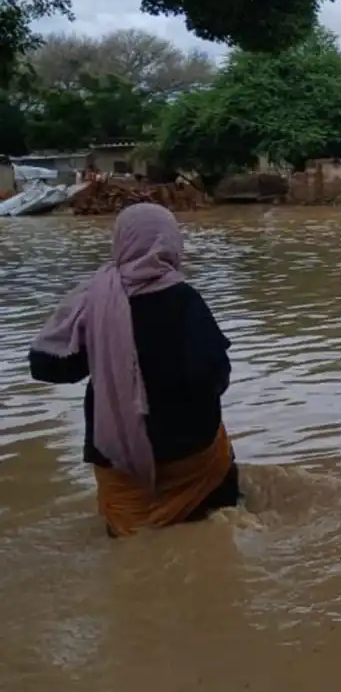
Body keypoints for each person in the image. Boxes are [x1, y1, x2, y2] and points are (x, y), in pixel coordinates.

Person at [28, 203, 239, 538]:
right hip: (191, 454)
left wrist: (105, 352)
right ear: (171, 241)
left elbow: (48, 367)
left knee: (129, 547)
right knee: (219, 528)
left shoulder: (93, 299)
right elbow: (214, 376)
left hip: (117, 458)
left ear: (121, 241)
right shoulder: (183, 299)